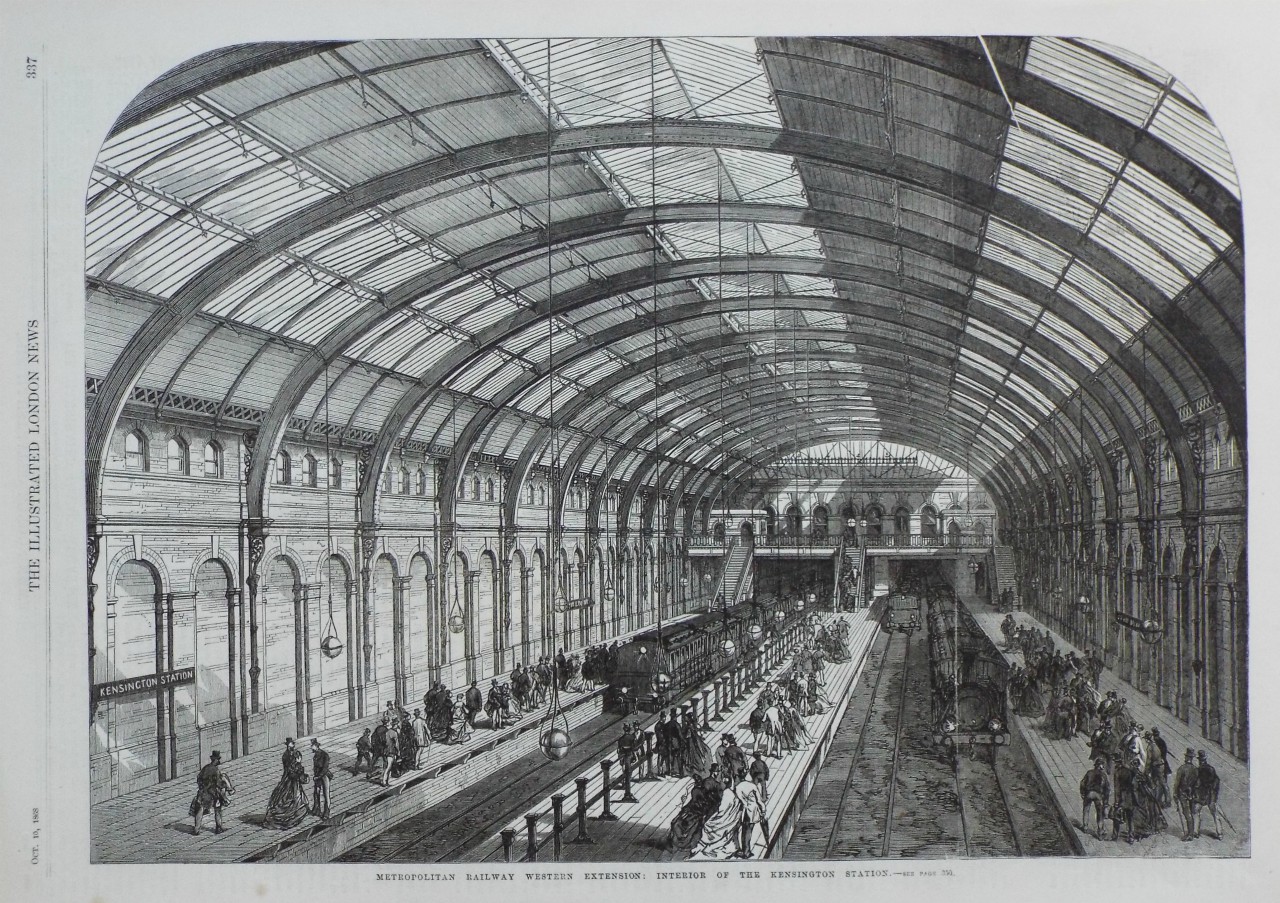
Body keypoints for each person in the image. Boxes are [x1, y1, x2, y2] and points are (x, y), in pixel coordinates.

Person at [263, 738, 310, 829]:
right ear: (288, 745)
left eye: (293, 744)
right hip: (289, 778)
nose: (293, 745)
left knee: (298, 797)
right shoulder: (286, 755)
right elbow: (289, 769)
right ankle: (284, 817)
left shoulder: (293, 753)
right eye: (291, 744)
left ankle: (296, 813)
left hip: (294, 778)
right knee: (288, 797)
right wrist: (297, 767)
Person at [189, 750, 234, 835]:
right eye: (218, 759)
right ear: (216, 760)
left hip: (203, 793)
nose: (219, 761)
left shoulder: (206, 768)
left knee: (200, 810)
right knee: (218, 810)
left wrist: (202, 788)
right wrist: (225, 786)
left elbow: (199, 779)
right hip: (213, 794)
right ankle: (219, 828)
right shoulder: (216, 770)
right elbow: (218, 784)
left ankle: (196, 830)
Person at [733, 773, 768, 858]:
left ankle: (745, 850)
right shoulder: (752, 785)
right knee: (749, 831)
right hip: (753, 811)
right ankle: (746, 851)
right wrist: (763, 810)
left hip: (744, 811)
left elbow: (740, 800)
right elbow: (759, 800)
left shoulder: (737, 787)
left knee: (744, 832)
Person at [1173, 748, 1200, 841]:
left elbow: (1177, 783)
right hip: (1192, 794)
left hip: (1183, 794)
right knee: (1191, 813)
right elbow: (1197, 784)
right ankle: (1191, 832)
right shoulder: (1195, 769)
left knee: (1187, 813)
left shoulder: (1182, 768)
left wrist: (1175, 794)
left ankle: (1190, 834)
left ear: (1186, 757)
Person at [1079, 757, 1110, 839]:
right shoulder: (1104, 776)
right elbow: (1107, 789)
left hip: (1088, 793)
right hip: (1098, 795)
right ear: (1102, 766)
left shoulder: (1089, 773)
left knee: (1086, 809)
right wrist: (1106, 802)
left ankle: (1085, 827)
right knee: (1099, 813)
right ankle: (1100, 831)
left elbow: (1082, 783)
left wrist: (1082, 793)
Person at [1196, 750, 1222, 839]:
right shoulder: (1211, 769)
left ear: (1200, 760)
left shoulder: (1199, 770)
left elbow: (1198, 784)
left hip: (1203, 796)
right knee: (1215, 814)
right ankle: (1220, 833)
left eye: (1200, 759)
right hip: (1211, 796)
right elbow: (1217, 781)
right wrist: (1214, 795)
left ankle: (1196, 832)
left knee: (1196, 812)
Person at [311, 738, 333, 820]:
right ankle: (317, 810)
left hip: (324, 776)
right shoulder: (316, 755)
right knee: (316, 792)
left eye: (312, 746)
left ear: (316, 746)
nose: (311, 748)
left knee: (326, 794)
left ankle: (326, 812)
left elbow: (325, 768)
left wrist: (318, 776)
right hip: (317, 776)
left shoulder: (324, 755)